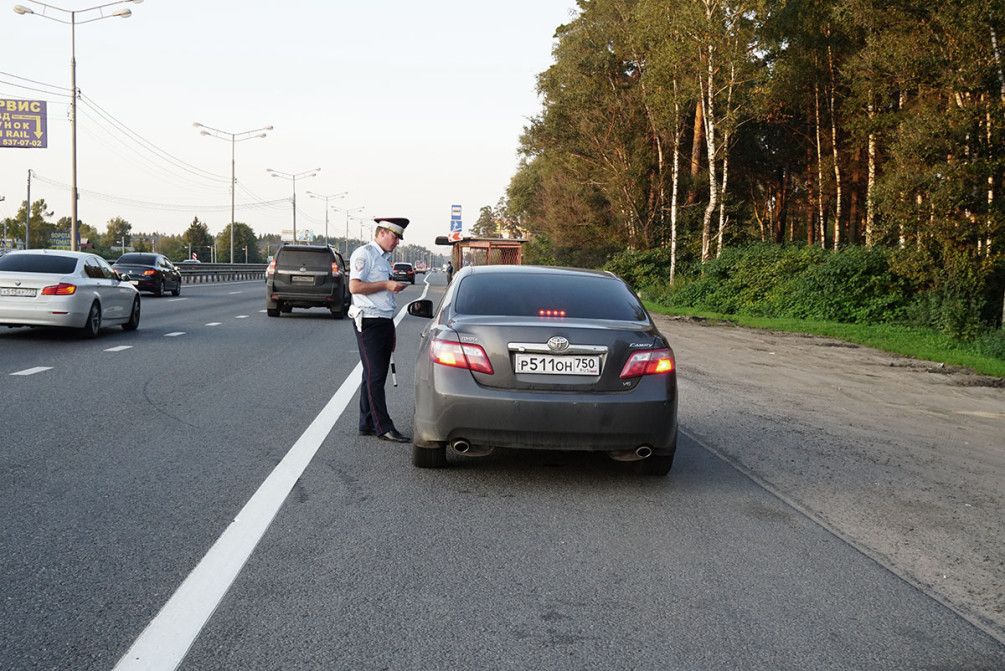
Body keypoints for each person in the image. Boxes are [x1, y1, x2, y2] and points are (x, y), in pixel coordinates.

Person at [348, 217, 411, 443]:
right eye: (395, 237)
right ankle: (383, 426)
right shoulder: (364, 254)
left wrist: (390, 327)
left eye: (399, 238)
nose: (397, 242)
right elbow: (354, 286)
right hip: (369, 321)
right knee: (376, 376)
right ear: (382, 232)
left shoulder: (383, 258)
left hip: (383, 320)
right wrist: (386, 285)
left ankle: (366, 422)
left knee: (371, 375)